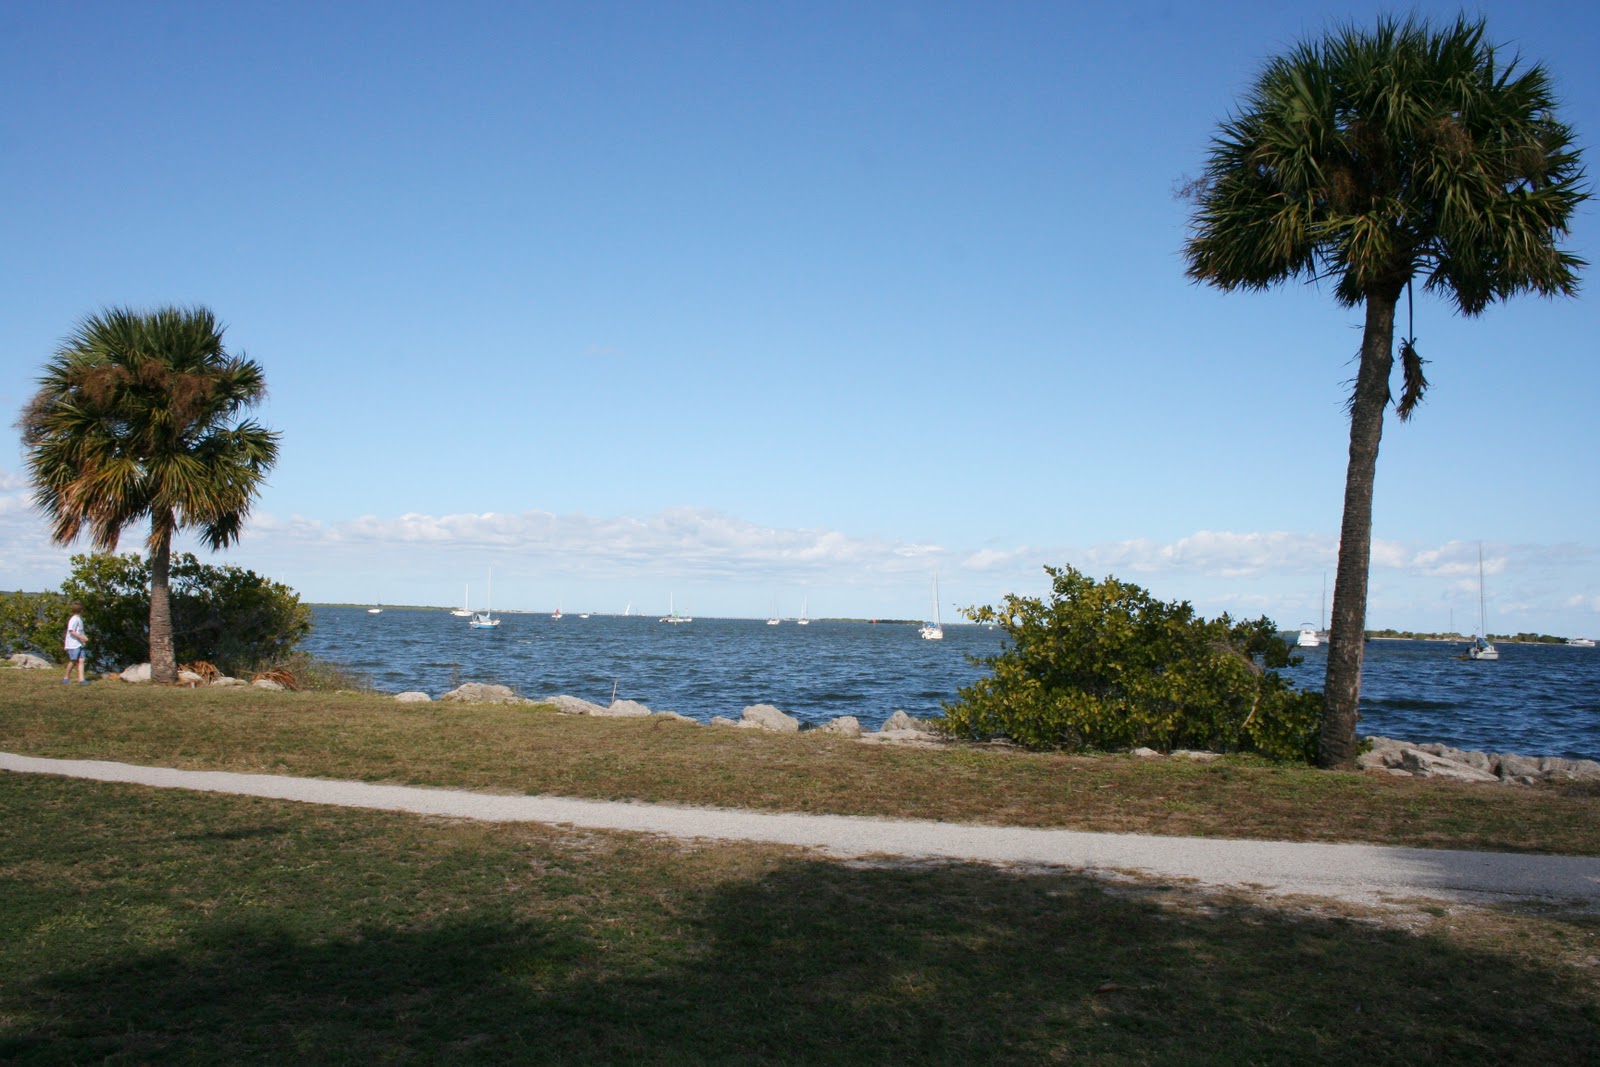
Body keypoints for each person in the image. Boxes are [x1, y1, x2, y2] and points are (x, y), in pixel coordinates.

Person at [63, 602, 89, 684]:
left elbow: (80, 631)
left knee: (81, 660)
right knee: (73, 661)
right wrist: (81, 637)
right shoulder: (74, 619)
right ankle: (66, 677)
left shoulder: (79, 619)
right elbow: (71, 631)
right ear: (81, 610)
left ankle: (81, 679)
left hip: (79, 643)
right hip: (73, 644)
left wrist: (84, 637)